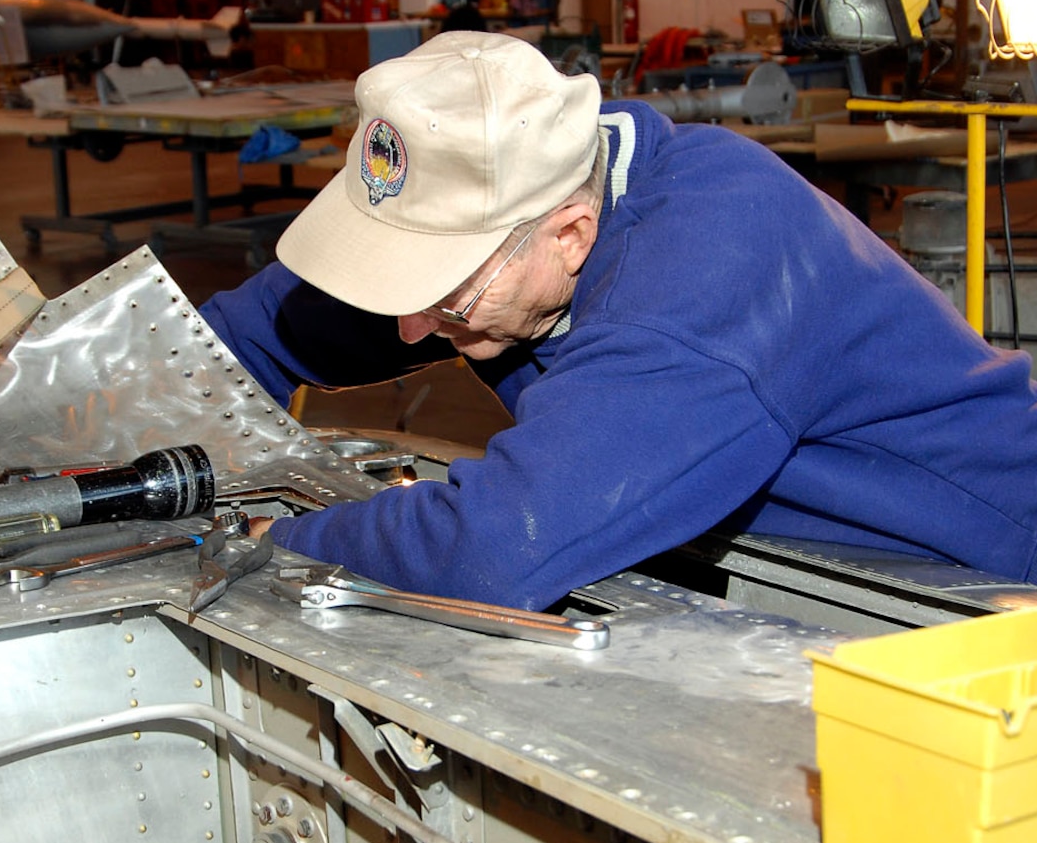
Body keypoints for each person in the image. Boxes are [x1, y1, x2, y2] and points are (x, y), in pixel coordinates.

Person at [201, 31, 1037, 609]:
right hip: (789, 553)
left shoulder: (700, 286)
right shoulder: (538, 193)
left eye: (444, 296)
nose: (412, 332)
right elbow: (245, 334)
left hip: (983, 578)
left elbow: (494, 545)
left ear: (569, 236)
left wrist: (282, 540)